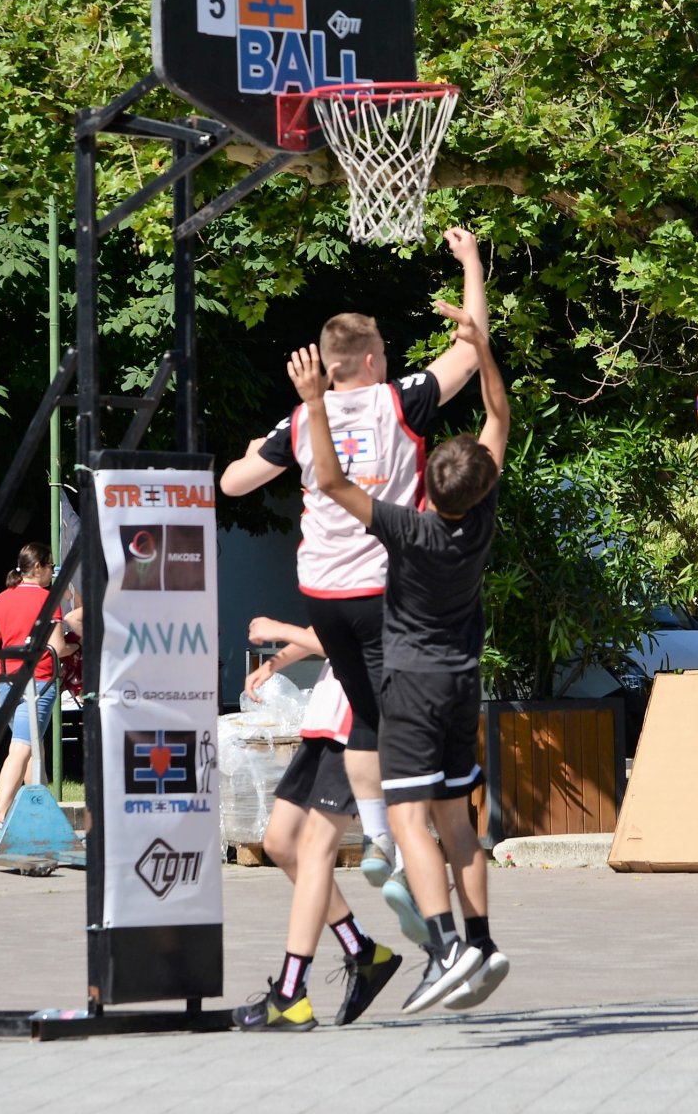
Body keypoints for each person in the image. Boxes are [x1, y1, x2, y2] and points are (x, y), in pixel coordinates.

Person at [219, 229, 489, 922]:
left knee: (362, 707)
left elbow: (236, 482)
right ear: (371, 359)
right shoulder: (399, 401)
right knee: (389, 722)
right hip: (386, 591)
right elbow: (471, 347)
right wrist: (469, 265)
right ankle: (389, 846)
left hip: (322, 591)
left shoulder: (302, 422)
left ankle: (379, 841)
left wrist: (261, 447)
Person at [286, 284, 510, 1015]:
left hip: (413, 683)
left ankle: (445, 944)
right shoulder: (477, 525)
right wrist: (477, 335)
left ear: (427, 493)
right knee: (459, 819)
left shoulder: (404, 531)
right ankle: (480, 940)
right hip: (462, 680)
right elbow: (498, 414)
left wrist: (314, 404)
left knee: (411, 818)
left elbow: (328, 482)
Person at [234, 617, 405, 1031]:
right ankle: (363, 951)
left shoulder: (383, 565)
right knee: (279, 843)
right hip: (324, 726)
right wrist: (273, 664)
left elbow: (342, 640)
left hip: (355, 733)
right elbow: (325, 629)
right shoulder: (351, 566)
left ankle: (291, 995)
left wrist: (277, 629)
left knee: (313, 851)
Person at [0, 542, 72, 839]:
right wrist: (78, 645)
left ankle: (38, 812)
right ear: (39, 567)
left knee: (33, 748)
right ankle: (0, 815)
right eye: (51, 566)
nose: (53, 572)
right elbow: (57, 648)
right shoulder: (48, 599)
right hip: (38, 682)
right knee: (21, 748)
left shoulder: (1, 600)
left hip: (5, 685)